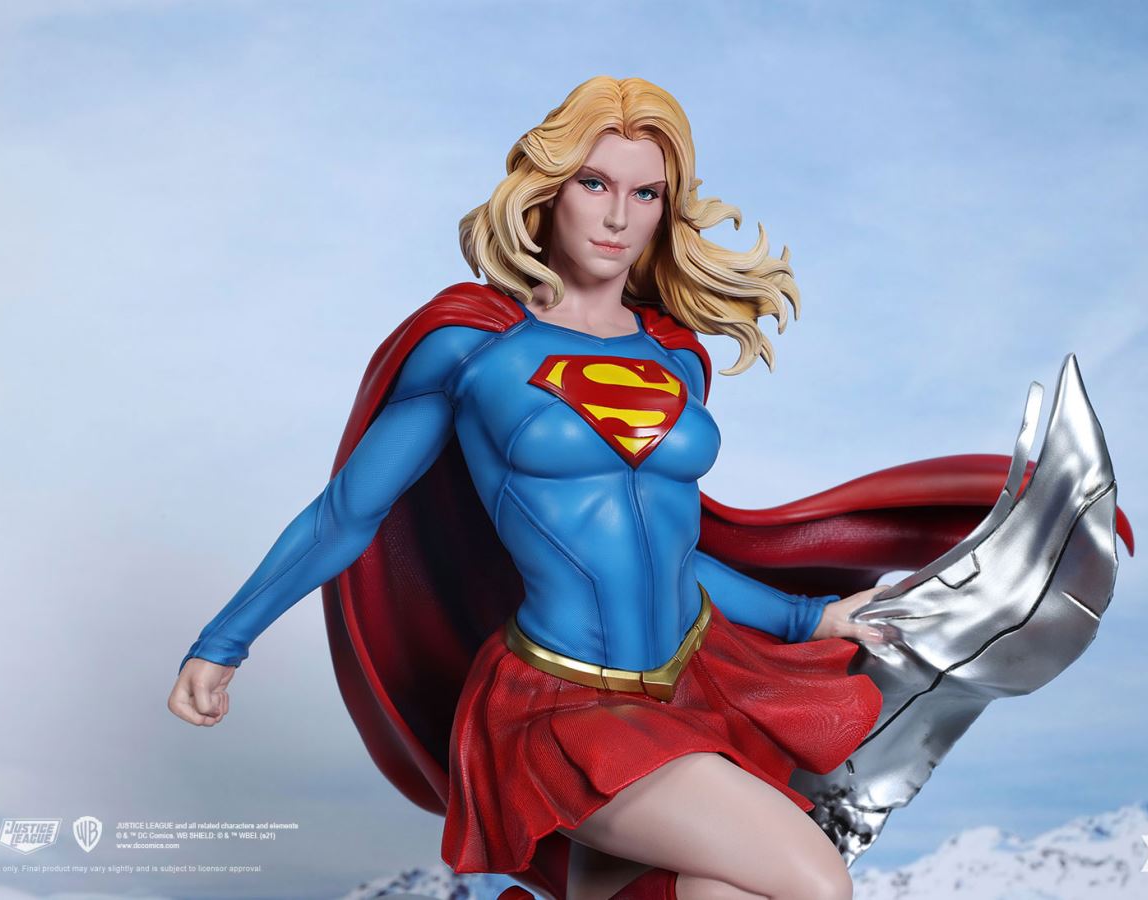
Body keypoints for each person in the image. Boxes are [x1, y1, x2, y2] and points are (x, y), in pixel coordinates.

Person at [169, 76, 990, 900]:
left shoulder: (675, 357)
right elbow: (348, 515)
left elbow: (668, 550)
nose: (617, 216)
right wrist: (222, 642)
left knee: (722, 891)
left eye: (646, 193)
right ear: (550, 189)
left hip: (691, 685)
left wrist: (809, 617)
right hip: (558, 703)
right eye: (595, 183)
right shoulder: (472, 347)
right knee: (815, 881)